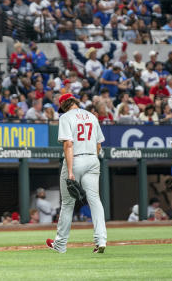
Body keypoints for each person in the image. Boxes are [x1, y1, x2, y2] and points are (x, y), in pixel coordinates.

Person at [46, 93, 106, 254]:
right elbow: (99, 145)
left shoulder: (66, 117)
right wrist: (92, 158)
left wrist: (71, 171)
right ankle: (101, 240)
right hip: (93, 159)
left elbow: (68, 145)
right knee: (95, 200)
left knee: (67, 203)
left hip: (76, 159)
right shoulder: (92, 116)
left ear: (65, 105)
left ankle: (60, 244)